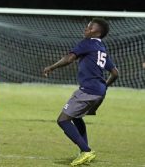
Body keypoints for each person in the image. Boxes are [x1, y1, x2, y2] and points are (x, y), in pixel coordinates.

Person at [43, 18, 119, 166]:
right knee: (77, 117)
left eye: (88, 28)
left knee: (63, 120)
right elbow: (115, 73)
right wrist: (104, 87)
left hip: (88, 91)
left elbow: (69, 58)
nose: (85, 30)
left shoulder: (87, 43)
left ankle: (86, 151)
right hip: (99, 93)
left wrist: (52, 67)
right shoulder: (101, 48)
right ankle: (83, 151)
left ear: (96, 31)